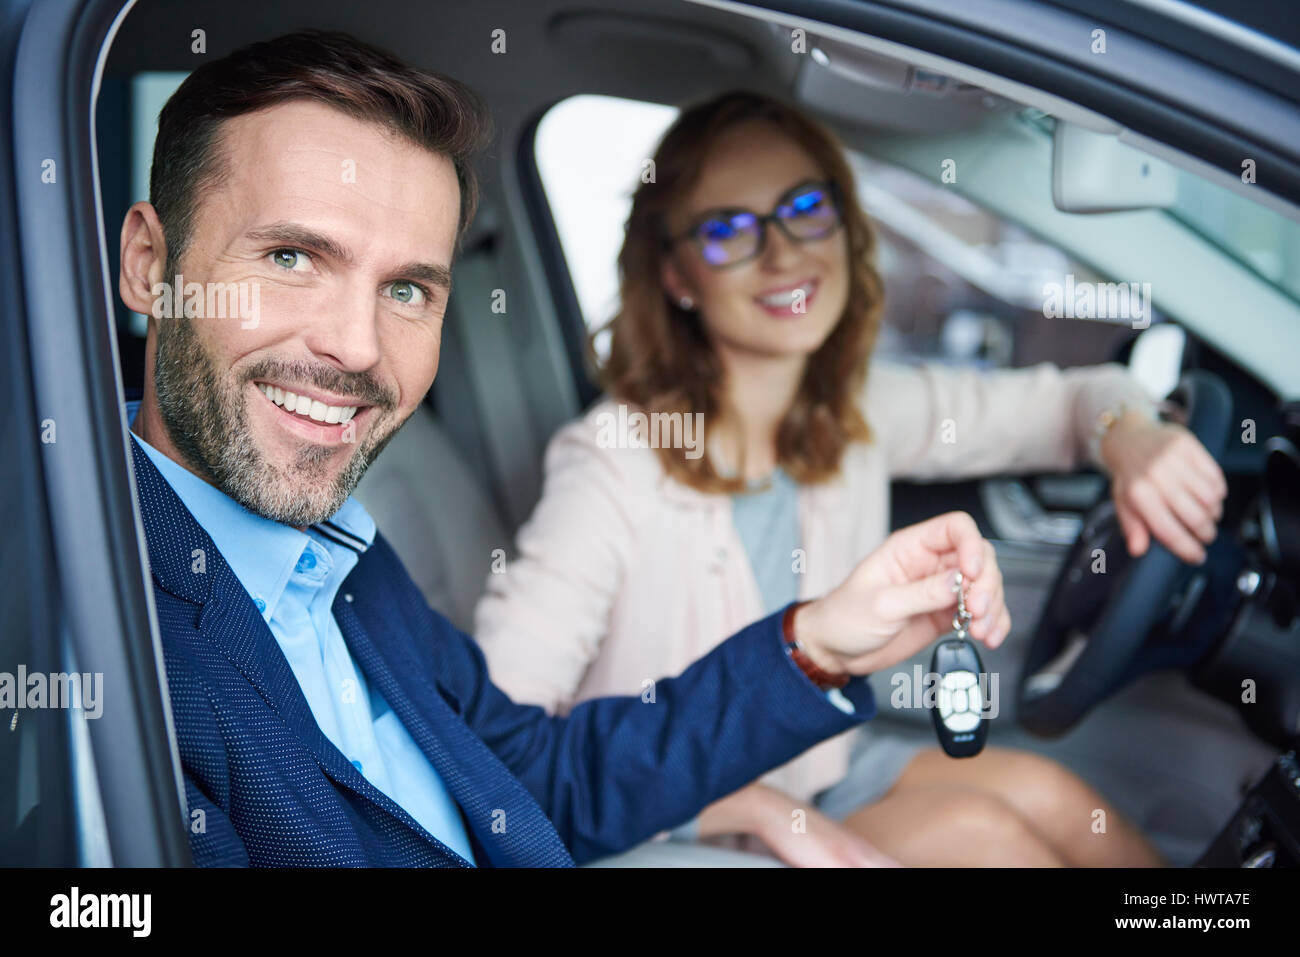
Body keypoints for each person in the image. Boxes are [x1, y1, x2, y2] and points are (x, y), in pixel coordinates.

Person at [115, 30, 1011, 867]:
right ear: (151, 265)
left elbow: (535, 778)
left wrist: (815, 642)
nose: (354, 345)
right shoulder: (107, 633)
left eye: (407, 289)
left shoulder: (343, 553)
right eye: (291, 258)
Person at [474, 91, 1228, 867]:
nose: (783, 252)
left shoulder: (853, 410)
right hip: (671, 812)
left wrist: (1130, 434)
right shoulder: (614, 458)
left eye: (806, 206)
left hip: (825, 769)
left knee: (1058, 797)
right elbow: (492, 744)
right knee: (990, 842)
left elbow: (1070, 402)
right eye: (729, 229)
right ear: (676, 275)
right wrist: (749, 805)